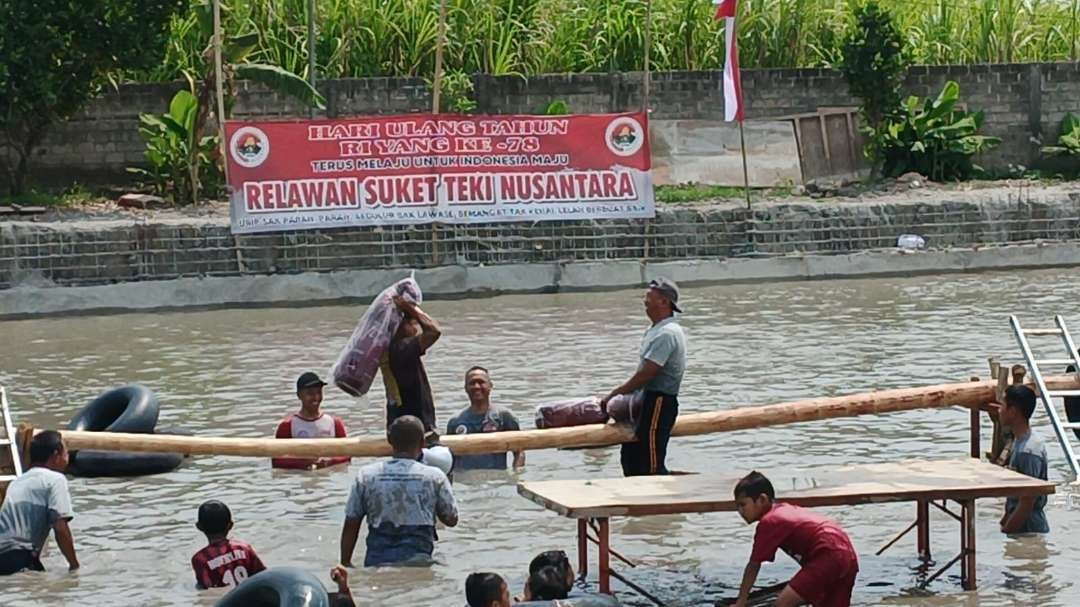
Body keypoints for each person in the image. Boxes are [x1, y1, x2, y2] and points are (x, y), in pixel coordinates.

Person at [340, 415, 458, 567]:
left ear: (390, 440)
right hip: (419, 563)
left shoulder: (366, 476)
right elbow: (451, 519)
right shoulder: (434, 477)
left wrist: (345, 562)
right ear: (422, 443)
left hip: (377, 562)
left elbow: (351, 521)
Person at [600, 277, 687, 476]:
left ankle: (659, 502)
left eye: (649, 296)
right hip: (645, 401)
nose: (645, 300)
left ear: (664, 302)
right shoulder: (655, 330)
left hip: (658, 402)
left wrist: (615, 393)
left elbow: (646, 374)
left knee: (651, 464)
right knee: (631, 458)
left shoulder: (667, 333)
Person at [733, 471, 858, 607]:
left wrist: (741, 601)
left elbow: (754, 565)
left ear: (762, 499)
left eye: (743, 505)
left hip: (828, 554)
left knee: (782, 604)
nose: (740, 511)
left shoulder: (769, 521)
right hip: (847, 554)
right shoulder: (783, 511)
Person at [0, 430, 78, 575]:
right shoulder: (55, 480)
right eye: (66, 452)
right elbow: (60, 527)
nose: (68, 458)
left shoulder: (17, 482)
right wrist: (74, 566)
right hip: (19, 558)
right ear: (56, 455)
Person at [381, 296, 441, 434]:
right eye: (412, 324)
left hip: (400, 425)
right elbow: (434, 331)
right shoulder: (402, 348)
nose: (415, 329)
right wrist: (409, 307)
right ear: (400, 326)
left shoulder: (388, 351)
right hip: (413, 429)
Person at [995, 384, 1050, 534]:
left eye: (1002, 406)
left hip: (1028, 531)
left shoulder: (1029, 451)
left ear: (1012, 411)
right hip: (1021, 526)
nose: (999, 411)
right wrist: (1004, 521)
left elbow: (1027, 503)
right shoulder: (1019, 442)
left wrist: (1006, 531)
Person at [446, 367, 525, 470]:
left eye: (481, 382)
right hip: (465, 481)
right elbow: (448, 457)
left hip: (496, 481)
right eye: (472, 383)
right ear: (465, 388)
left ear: (490, 386)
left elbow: (519, 452)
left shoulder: (504, 417)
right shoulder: (455, 421)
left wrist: (516, 474)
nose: (477, 386)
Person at [272, 372, 350, 470]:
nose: (316, 397)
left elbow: (347, 454)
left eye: (318, 392)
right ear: (299, 395)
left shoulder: (334, 423)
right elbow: (277, 461)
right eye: (310, 394)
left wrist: (328, 462)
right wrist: (303, 462)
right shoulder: (287, 426)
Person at [190, 500, 267, 589]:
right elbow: (263, 574)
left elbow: (206, 589)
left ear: (199, 527)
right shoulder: (244, 548)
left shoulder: (200, 559)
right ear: (230, 525)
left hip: (228, 601)